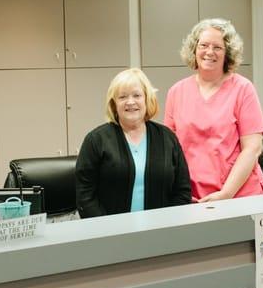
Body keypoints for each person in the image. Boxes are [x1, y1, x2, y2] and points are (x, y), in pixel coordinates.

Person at [164, 18, 263, 202]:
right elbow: (169, 151)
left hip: (239, 196)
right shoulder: (176, 92)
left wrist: (226, 194)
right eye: (203, 45)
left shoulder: (243, 89)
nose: (209, 52)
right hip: (193, 198)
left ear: (228, 53)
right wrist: (180, 192)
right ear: (194, 49)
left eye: (217, 47)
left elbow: (253, 148)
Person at [76, 68, 191, 218]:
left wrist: (168, 225)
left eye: (137, 95)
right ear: (114, 103)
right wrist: (105, 229)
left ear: (147, 99)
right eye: (122, 97)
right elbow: (85, 195)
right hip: (109, 233)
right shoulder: (96, 140)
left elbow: (182, 191)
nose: (130, 102)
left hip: (161, 231)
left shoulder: (167, 138)